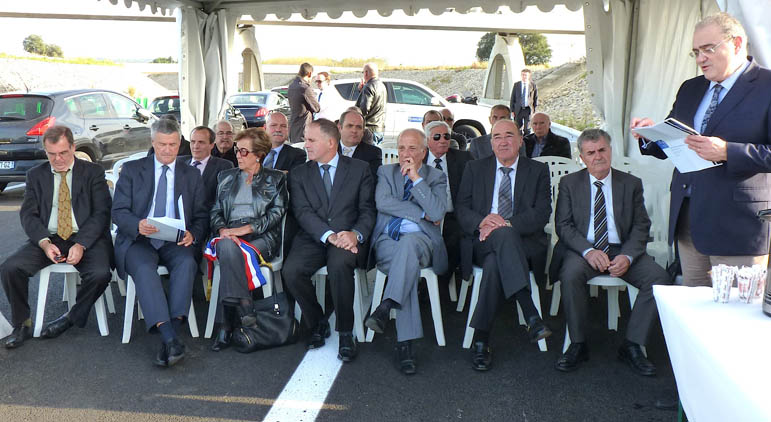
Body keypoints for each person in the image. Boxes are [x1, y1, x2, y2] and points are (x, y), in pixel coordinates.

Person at [631, 12, 771, 286]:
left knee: (736, 309)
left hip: (738, 226)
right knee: (694, 307)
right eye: (695, 52)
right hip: (688, 220)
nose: (700, 59)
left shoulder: (767, 86)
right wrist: (650, 134)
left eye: (708, 49)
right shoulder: (690, 88)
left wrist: (728, 151)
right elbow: (676, 142)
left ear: (737, 43)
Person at [552, 129, 669, 375]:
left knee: (659, 278)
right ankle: (577, 343)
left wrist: (627, 256)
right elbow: (563, 225)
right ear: (582, 157)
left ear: (610, 150)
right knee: (570, 275)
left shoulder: (630, 183)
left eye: (602, 150)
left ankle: (633, 344)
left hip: (621, 248)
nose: (598, 156)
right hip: (584, 249)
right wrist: (587, 251)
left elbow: (641, 225)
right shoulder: (570, 184)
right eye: (591, 153)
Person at [0, 126, 113, 349]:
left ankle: (71, 317)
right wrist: (44, 242)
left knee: (100, 274)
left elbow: (102, 213)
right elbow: (28, 215)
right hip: (50, 237)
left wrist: (81, 244)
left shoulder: (92, 172)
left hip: (86, 237)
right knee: (10, 268)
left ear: (73, 147)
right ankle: (22, 324)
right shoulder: (36, 175)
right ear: (45, 151)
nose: (58, 159)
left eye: (63, 153)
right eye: (52, 154)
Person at [456, 119, 552, 372]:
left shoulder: (538, 170)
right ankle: (530, 313)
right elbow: (462, 208)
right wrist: (481, 222)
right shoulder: (475, 168)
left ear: (520, 140)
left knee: (494, 263)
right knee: (499, 245)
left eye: (509, 135)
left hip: (524, 242)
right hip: (482, 239)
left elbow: (542, 213)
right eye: (496, 137)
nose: (502, 141)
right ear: (491, 143)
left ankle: (481, 340)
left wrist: (506, 224)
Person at [112, 118, 209, 367]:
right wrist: (137, 224)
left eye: (173, 145)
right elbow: (118, 211)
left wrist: (193, 234)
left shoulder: (191, 174)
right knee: (144, 268)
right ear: (153, 142)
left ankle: (170, 334)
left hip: (175, 240)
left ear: (180, 144)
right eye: (162, 144)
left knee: (187, 263)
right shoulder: (132, 170)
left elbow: (201, 215)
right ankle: (170, 337)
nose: (167, 150)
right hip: (139, 239)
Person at [282, 119, 376, 363]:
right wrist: (328, 235)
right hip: (314, 237)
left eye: (311, 140)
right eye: (306, 139)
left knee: (339, 266)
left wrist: (355, 234)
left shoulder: (359, 169)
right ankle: (317, 321)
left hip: (348, 237)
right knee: (291, 271)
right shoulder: (299, 173)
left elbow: (367, 210)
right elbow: (302, 212)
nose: (306, 144)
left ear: (331, 142)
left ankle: (345, 333)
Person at [365, 128, 447, 375]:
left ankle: (388, 307)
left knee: (409, 246)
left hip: (422, 242)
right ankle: (404, 342)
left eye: (412, 148)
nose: (405, 153)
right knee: (406, 262)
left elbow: (437, 212)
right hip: (388, 241)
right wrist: (420, 213)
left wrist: (416, 180)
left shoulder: (436, 177)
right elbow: (383, 203)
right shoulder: (386, 172)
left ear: (424, 152)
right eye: (401, 148)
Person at [208, 128, 288, 352]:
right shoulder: (225, 177)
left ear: (259, 154)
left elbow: (276, 213)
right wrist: (223, 229)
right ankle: (246, 308)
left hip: (261, 235)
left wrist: (246, 229)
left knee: (232, 251)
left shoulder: (275, 179)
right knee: (228, 246)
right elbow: (215, 211)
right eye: (237, 150)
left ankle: (225, 325)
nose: (238, 155)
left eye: (244, 151)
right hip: (229, 234)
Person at [423, 120, 472, 284]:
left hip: (452, 216)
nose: (443, 140)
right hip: (424, 217)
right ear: (427, 140)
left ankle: (439, 286)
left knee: (456, 238)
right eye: (437, 137)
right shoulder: (418, 158)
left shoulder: (464, 159)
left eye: (446, 136)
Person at [182, 126, 234, 210]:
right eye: (193, 142)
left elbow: (223, 201)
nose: (196, 146)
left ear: (212, 145)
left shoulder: (224, 166)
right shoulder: (179, 162)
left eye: (201, 142)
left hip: (207, 215)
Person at [337, 109, 382, 177]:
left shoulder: (373, 153)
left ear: (363, 132)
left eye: (359, 127)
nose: (354, 130)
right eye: (350, 126)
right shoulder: (328, 149)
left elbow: (371, 180)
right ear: (340, 128)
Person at [355, 62, 387, 144]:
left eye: (363, 72)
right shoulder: (382, 85)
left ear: (366, 73)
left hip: (370, 129)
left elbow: (364, 109)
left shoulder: (369, 86)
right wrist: (361, 91)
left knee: (367, 152)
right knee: (376, 151)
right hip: (380, 128)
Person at [288, 63, 320, 144]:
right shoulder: (305, 88)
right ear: (309, 74)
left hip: (293, 128)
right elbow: (317, 108)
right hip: (303, 129)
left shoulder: (292, 86)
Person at [510, 68, 537, 134]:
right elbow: (513, 98)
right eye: (522, 75)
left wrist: (534, 110)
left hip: (528, 110)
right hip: (518, 110)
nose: (524, 76)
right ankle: (519, 140)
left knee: (527, 129)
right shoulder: (517, 85)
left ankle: (526, 140)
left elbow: (535, 98)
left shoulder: (532, 85)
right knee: (517, 128)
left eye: (525, 75)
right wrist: (512, 110)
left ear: (529, 76)